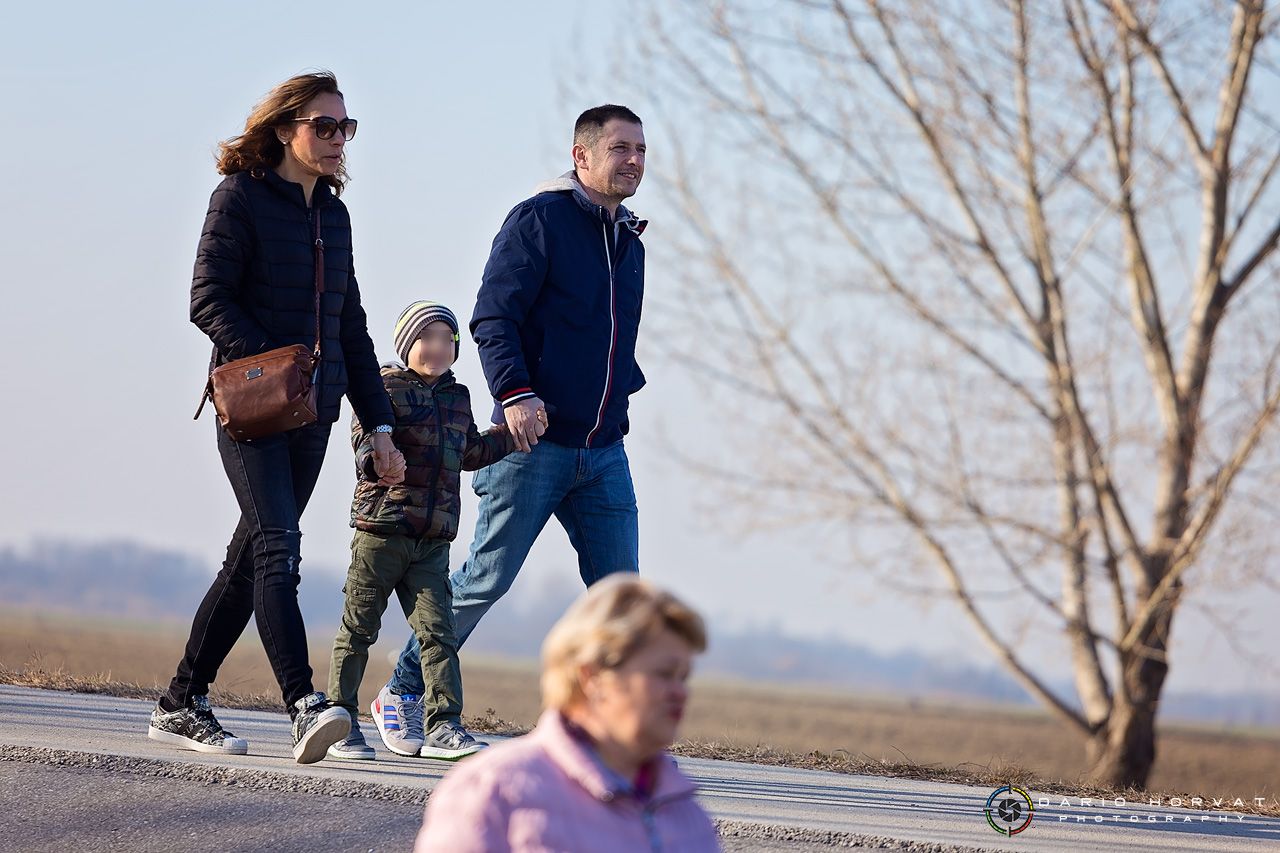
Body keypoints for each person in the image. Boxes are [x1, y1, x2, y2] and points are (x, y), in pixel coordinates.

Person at [374, 105, 651, 753]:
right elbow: (493, 317)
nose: (635, 159)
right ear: (582, 156)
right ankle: (406, 688)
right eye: (620, 148)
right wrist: (517, 394)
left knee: (621, 597)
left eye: (641, 148)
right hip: (530, 444)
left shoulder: (629, 240)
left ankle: (603, 725)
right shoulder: (541, 220)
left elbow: (612, 343)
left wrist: (620, 400)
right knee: (484, 577)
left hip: (603, 448)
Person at [147, 71, 406, 765]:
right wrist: (278, 361)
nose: (336, 140)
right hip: (254, 408)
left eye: (344, 127)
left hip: (315, 416)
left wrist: (379, 427)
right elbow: (207, 300)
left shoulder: (334, 215)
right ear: (286, 127)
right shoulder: (240, 197)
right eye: (323, 125)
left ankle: (179, 702)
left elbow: (349, 327)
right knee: (278, 549)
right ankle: (305, 706)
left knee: (248, 560)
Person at [326, 302, 515, 761]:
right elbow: (365, 442)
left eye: (446, 339)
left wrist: (510, 435)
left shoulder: (458, 396)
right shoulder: (383, 388)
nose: (437, 348)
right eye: (426, 338)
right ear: (407, 345)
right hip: (383, 531)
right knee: (359, 629)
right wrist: (376, 460)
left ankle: (444, 727)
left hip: (432, 540)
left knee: (439, 634)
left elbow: (469, 451)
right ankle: (341, 722)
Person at [414, 575, 719, 852]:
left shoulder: (686, 813)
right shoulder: (493, 790)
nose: (681, 693)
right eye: (664, 674)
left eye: (684, 677)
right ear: (592, 676)